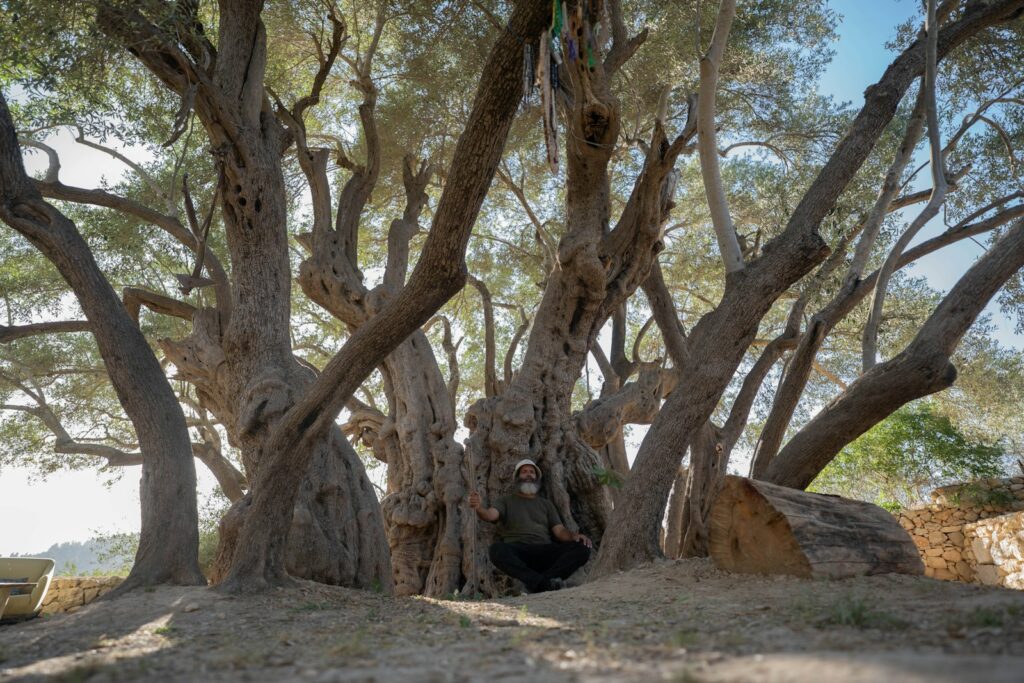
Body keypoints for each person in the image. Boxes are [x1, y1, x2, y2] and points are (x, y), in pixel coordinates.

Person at [468, 458, 592, 593]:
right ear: (517, 478)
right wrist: (479, 507)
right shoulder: (506, 501)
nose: (528, 474)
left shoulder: (546, 504)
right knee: (496, 550)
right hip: (519, 552)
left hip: (545, 550)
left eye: (532, 472)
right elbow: (490, 515)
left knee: (582, 549)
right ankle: (543, 583)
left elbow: (559, 531)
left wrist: (574, 536)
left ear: (537, 478)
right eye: (524, 472)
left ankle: (542, 582)